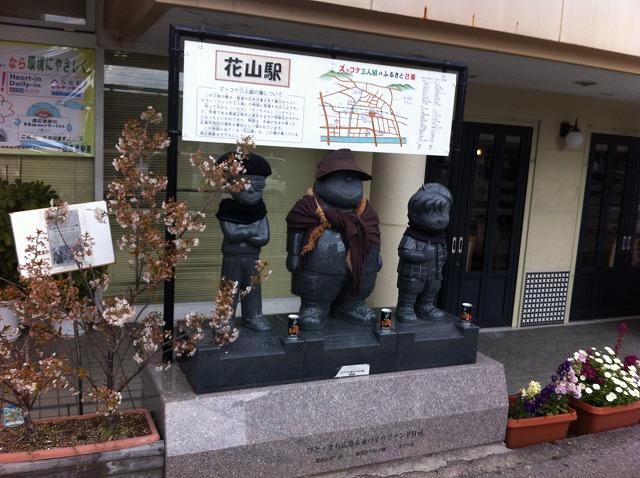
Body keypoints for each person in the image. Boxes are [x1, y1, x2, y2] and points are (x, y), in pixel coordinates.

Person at [286, 148, 382, 330]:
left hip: (360, 268)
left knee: (359, 287)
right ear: (321, 180)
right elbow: (296, 226)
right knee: (317, 291)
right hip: (319, 267)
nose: (348, 182)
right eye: (340, 177)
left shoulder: (366, 213)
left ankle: (352, 306)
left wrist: (376, 256)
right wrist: (293, 254)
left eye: (353, 178)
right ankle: (314, 308)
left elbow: (374, 233)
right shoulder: (309, 208)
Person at [216, 151, 272, 332]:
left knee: (253, 288)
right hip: (232, 257)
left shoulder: (260, 212)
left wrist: (243, 233)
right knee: (229, 288)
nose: (251, 190)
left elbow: (264, 238)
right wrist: (250, 231)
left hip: (253, 257)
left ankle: (253, 316)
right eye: (244, 185)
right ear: (229, 185)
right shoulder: (227, 210)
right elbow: (231, 234)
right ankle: (224, 319)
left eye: (258, 186)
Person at [395, 183, 452, 323]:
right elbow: (403, 251)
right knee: (410, 288)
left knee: (431, 288)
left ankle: (425, 306)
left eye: (443, 213)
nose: (440, 219)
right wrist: (422, 256)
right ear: (414, 216)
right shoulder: (412, 236)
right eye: (433, 214)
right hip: (413, 274)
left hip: (433, 273)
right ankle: (405, 307)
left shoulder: (439, 238)